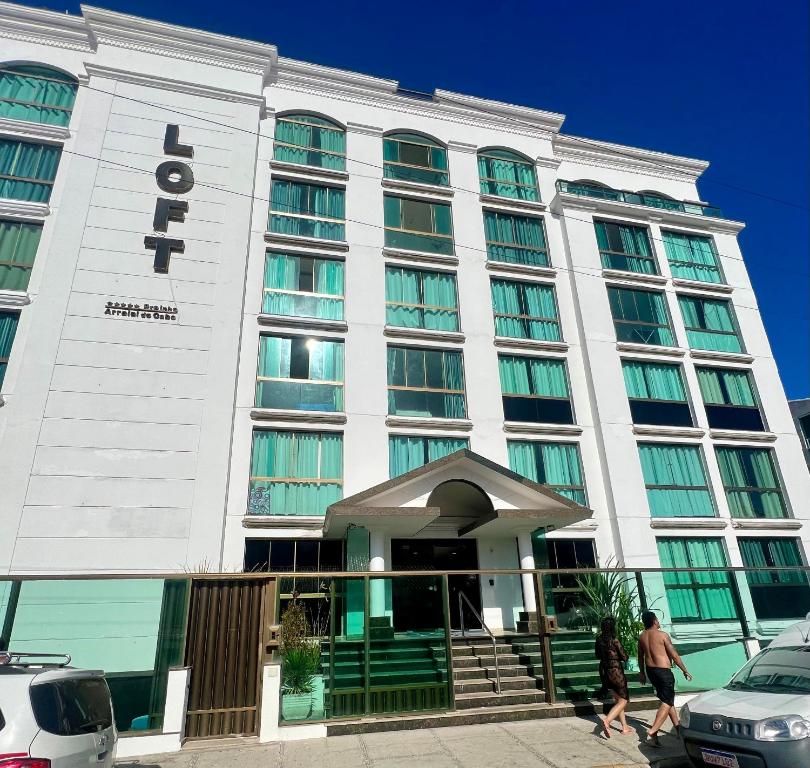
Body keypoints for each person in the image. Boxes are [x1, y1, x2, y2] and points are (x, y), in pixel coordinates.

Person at [638, 610, 692, 746]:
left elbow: (640, 657)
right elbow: (674, 655)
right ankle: (653, 731)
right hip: (663, 672)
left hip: (651, 671)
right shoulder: (662, 635)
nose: (658, 621)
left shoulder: (642, 636)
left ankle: (678, 730)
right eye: (657, 619)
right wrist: (685, 670)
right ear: (654, 621)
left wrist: (642, 673)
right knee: (667, 702)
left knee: (667, 700)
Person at [594, 616, 632, 738]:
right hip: (616, 671)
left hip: (605, 671)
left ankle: (624, 727)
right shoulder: (614, 640)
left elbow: (597, 655)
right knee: (624, 700)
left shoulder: (599, 640)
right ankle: (607, 721)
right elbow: (624, 657)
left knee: (618, 699)